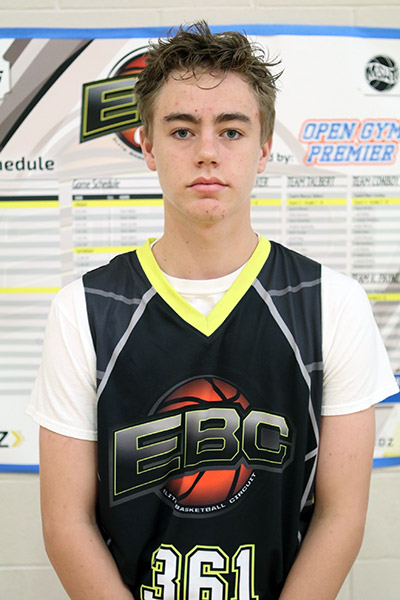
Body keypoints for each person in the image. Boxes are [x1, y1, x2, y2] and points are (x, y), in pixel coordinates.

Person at [27, 21, 398, 600]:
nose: (206, 152)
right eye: (182, 130)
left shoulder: (333, 302)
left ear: (264, 148)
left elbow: (340, 516)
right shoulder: (85, 310)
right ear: (148, 146)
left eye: (231, 130)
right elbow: (65, 525)